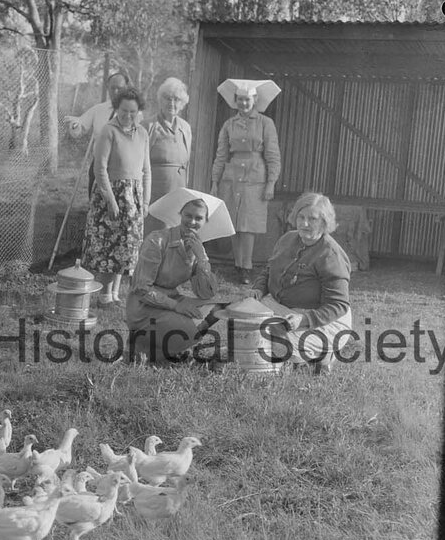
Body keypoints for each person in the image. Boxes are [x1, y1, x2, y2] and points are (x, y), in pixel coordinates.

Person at [246, 192, 353, 374]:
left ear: (325, 222)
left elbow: (339, 305)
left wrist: (305, 319)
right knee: (246, 325)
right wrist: (258, 288)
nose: (304, 224)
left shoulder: (330, 255)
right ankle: (303, 356)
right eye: (301, 217)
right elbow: (269, 270)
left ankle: (323, 355)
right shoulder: (287, 239)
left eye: (312, 219)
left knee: (271, 343)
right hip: (283, 309)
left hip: (322, 320)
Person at [125, 198, 220, 364]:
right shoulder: (157, 240)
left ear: (205, 221)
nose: (192, 222)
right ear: (180, 215)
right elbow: (141, 289)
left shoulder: (196, 246)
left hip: (172, 298)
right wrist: (177, 306)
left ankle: (168, 347)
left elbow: (205, 293)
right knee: (188, 330)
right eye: (188, 216)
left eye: (198, 218)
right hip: (143, 304)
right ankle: (145, 345)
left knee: (215, 307)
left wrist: (202, 259)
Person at [82, 87, 151, 306]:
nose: (128, 116)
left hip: (134, 196)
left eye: (133, 111)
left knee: (127, 245)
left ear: (139, 111)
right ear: (116, 108)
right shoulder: (108, 131)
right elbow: (99, 170)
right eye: (124, 111)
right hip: (111, 195)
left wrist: (146, 201)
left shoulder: (142, 133)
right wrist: (111, 200)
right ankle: (104, 295)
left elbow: (146, 171)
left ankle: (115, 294)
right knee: (109, 245)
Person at [210, 79, 282, 286]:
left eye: (247, 99)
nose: (243, 103)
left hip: (255, 177)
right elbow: (221, 155)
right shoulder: (228, 125)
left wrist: (271, 183)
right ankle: (237, 264)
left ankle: (247, 267)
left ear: (255, 100)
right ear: (235, 101)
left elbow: (273, 155)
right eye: (240, 99)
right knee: (234, 223)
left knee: (248, 225)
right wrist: (215, 181)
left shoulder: (265, 123)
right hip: (231, 178)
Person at [64, 71, 131, 199]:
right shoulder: (99, 109)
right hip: (99, 166)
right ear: (107, 88)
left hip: (124, 168)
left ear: (126, 88)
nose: (116, 91)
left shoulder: (134, 113)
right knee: (97, 206)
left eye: (120, 88)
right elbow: (79, 128)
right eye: (112, 88)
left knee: (121, 207)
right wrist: (75, 125)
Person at [144, 77, 192, 236]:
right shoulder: (149, 126)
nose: (172, 103)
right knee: (155, 230)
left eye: (176, 99)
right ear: (160, 100)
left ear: (182, 103)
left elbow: (187, 160)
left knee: (175, 229)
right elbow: (140, 163)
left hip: (178, 187)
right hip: (155, 190)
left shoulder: (185, 127)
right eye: (167, 98)